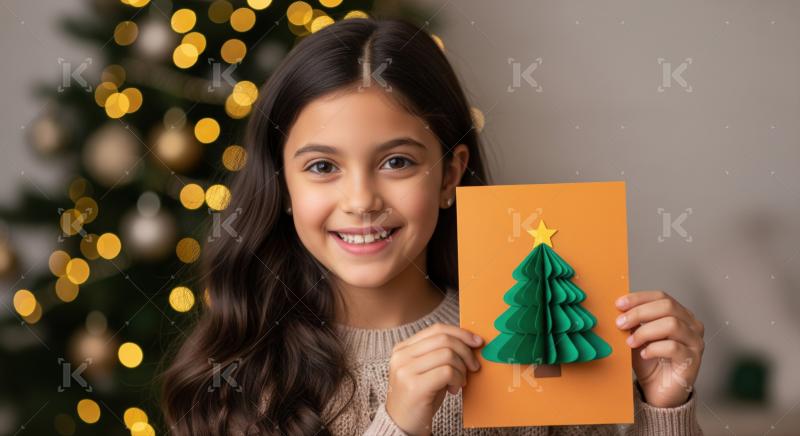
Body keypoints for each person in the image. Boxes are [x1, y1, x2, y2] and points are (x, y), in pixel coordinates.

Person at [160, 17, 705, 435]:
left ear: (450, 175)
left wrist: (665, 409)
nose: (361, 201)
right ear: (282, 185)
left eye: (396, 162)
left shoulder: (535, 337)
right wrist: (397, 424)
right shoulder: (242, 373)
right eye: (323, 167)